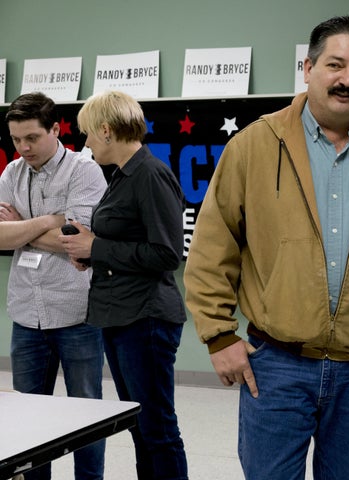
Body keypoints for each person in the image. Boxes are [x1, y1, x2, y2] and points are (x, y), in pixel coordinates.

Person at [183, 15, 349, 480]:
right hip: (275, 366)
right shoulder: (254, 145)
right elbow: (212, 247)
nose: (347, 80)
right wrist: (218, 334)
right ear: (307, 68)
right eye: (335, 65)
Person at [59, 90, 188, 480]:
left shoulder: (150, 174)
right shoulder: (121, 176)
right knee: (141, 427)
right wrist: (90, 249)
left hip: (145, 317)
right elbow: (124, 242)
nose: (86, 145)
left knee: (158, 430)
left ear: (106, 130)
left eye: (88, 135)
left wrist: (97, 246)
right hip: (120, 316)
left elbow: (167, 254)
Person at [2, 92, 107, 480]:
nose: (23, 147)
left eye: (31, 137)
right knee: (28, 419)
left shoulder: (84, 170)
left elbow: (77, 241)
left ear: (56, 129)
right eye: (15, 139)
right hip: (26, 314)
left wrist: (21, 227)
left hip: (76, 312)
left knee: (87, 416)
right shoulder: (11, 173)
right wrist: (48, 219)